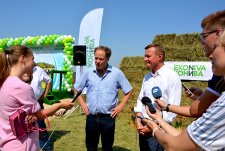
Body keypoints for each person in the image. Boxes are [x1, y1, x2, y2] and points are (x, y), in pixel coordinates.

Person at [142, 30, 225, 150]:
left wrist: (155, 127)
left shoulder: (223, 104)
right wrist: (156, 119)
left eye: (216, 47)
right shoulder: (147, 76)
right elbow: (183, 138)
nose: (210, 55)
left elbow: (175, 145)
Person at [0, 45, 74, 151]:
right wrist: (61, 105)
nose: (34, 63)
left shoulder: (4, 83)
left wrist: (31, 115)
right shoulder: (21, 87)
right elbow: (39, 115)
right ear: (22, 59)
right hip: (22, 145)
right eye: (32, 59)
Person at [156, 10, 225, 118]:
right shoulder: (219, 74)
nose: (202, 41)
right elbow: (216, 107)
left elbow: (194, 111)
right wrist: (201, 96)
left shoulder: (220, 73)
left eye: (204, 35)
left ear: (218, 33)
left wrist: (165, 107)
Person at [74, 46, 133, 151]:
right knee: (91, 147)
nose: (97, 61)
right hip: (91, 117)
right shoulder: (88, 73)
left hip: (108, 119)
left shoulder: (117, 73)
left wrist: (120, 106)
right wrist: (82, 104)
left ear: (108, 59)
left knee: (107, 147)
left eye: (101, 59)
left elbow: (129, 91)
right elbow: (76, 88)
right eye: (96, 58)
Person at [134, 44, 182, 151]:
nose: (144, 59)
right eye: (145, 56)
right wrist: (138, 118)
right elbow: (141, 99)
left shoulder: (172, 77)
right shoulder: (147, 77)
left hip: (159, 129)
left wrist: (153, 125)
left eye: (148, 56)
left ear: (159, 56)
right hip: (143, 126)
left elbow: (172, 109)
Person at [31, 65, 53, 150]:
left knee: (40, 124)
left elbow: (49, 81)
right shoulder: (20, 70)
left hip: (37, 103)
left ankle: (47, 146)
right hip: (24, 104)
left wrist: (44, 95)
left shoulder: (38, 70)